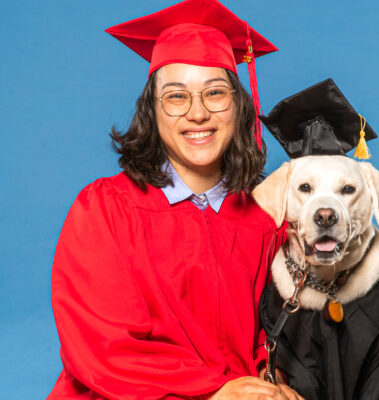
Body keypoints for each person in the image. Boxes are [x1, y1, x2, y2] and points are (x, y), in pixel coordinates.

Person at [48, 0, 304, 399]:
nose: (197, 113)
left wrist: (273, 383)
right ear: (152, 110)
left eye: (215, 93)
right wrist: (217, 391)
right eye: (176, 96)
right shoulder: (106, 208)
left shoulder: (266, 219)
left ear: (238, 106)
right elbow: (104, 346)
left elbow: (274, 331)